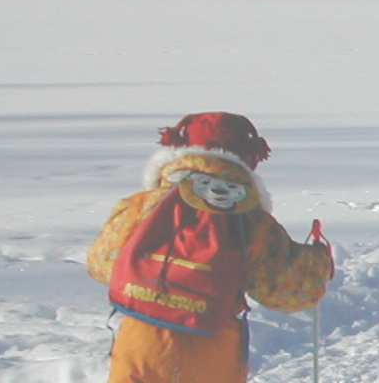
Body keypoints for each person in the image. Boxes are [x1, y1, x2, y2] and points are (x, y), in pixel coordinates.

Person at [87, 112, 333, 383]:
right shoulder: (249, 219)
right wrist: (317, 262)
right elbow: (288, 292)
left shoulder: (143, 205)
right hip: (213, 348)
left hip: (141, 343)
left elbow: (101, 264)